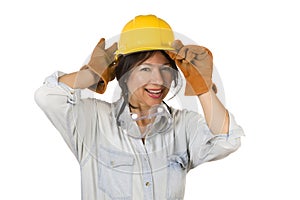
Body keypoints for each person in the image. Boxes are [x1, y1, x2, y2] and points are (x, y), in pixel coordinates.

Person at [35, 14, 244, 200]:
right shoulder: (93, 121)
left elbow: (227, 140)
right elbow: (47, 96)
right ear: (124, 76)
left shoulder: (183, 126)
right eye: (145, 69)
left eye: (165, 69)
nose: (158, 80)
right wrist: (91, 74)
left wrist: (202, 86)